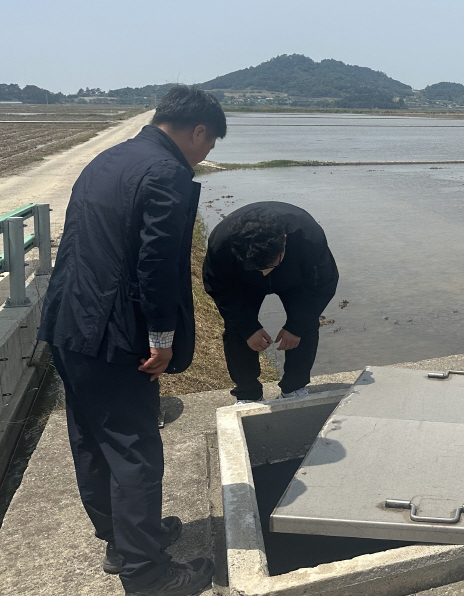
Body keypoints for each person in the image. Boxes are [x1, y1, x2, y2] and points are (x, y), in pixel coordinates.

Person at [38, 86, 225, 596]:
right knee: (134, 449)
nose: (205, 156)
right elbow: (157, 269)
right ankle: (149, 574)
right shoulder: (167, 174)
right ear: (198, 131)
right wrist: (161, 337)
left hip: (67, 323)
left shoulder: (111, 157)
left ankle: (122, 542)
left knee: (92, 439)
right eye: (208, 147)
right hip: (113, 334)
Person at [202, 202, 338, 403]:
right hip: (243, 279)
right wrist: (248, 328)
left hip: (296, 276)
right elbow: (220, 288)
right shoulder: (222, 243)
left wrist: (296, 326)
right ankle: (247, 393)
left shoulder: (308, 235)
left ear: (284, 240)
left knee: (306, 323)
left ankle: (294, 387)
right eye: (259, 269)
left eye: (269, 266)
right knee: (236, 328)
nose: (265, 273)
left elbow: (323, 283)